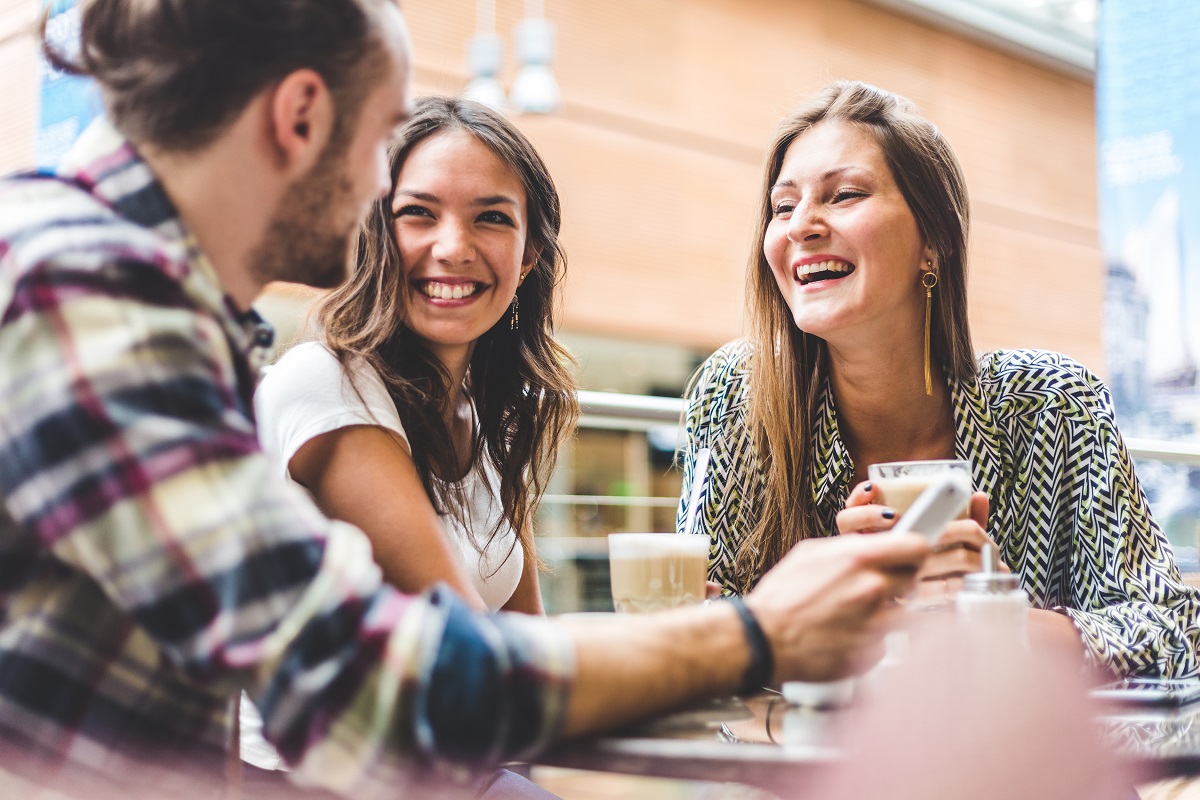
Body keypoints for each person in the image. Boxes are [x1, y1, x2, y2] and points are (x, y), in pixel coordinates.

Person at [0, 5, 931, 798]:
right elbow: (364, 684)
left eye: (491, 217)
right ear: (300, 116)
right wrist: (757, 634)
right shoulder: (82, 293)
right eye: (385, 145)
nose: (381, 192)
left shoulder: (138, 294)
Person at [676, 80, 1200, 680]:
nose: (801, 226)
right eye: (783, 206)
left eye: (843, 194)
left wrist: (999, 619)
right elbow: (695, 630)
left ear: (935, 240)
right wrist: (808, 608)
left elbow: (1176, 631)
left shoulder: (1052, 404)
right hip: (796, 767)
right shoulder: (734, 395)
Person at [255, 96, 574, 618]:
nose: (453, 247)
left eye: (491, 217)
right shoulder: (329, 386)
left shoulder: (485, 416)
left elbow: (525, 637)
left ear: (528, 258)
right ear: (374, 232)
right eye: (417, 213)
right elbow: (476, 653)